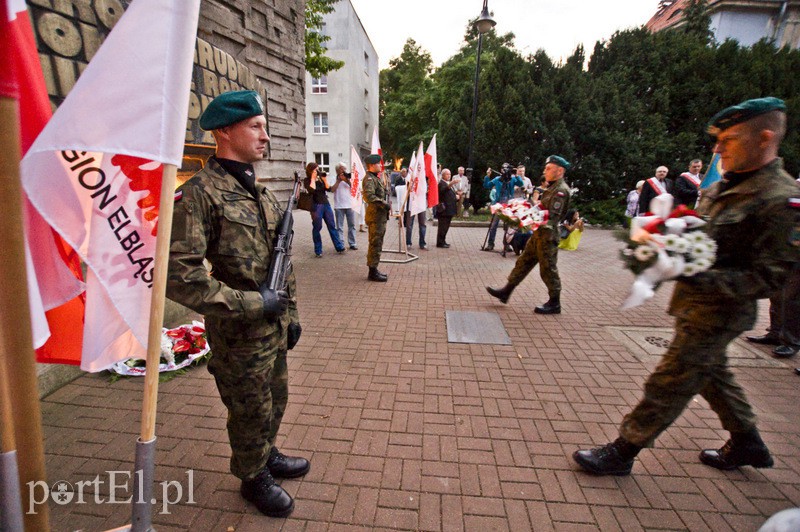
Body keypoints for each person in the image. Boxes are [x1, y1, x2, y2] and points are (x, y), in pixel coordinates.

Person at [573, 97, 800, 477]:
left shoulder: (780, 199)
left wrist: (697, 273)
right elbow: (701, 237)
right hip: (693, 305)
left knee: (671, 378)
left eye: (728, 139)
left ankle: (623, 450)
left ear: (764, 138)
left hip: (722, 312)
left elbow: (773, 277)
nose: (717, 148)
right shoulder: (723, 186)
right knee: (713, 374)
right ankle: (748, 442)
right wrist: (663, 242)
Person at [166, 90, 308, 518]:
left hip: (273, 326)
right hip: (239, 335)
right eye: (256, 126)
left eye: (264, 125)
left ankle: (266, 453)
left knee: (276, 398)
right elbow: (181, 277)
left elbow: (283, 262)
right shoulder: (199, 194)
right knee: (248, 407)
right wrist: (251, 303)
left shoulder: (260, 193)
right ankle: (252, 477)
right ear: (225, 131)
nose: (266, 135)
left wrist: (291, 312)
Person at [486, 155, 572, 314]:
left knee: (548, 269)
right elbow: (541, 209)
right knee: (523, 262)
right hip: (539, 234)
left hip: (548, 235)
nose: (545, 171)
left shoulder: (561, 191)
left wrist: (524, 218)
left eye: (548, 169)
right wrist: (522, 212)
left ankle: (555, 302)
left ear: (559, 171)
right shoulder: (553, 187)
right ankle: (506, 291)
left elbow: (550, 216)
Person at [746, 263, 800, 358]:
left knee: (793, 299)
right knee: (777, 295)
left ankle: (792, 342)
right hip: (787, 257)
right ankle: (776, 334)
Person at [304, 163, 345, 257]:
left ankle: (339, 246)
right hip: (316, 206)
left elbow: (329, 189)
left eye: (318, 169)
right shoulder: (307, 180)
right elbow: (311, 190)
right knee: (317, 227)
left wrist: (324, 180)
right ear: (310, 171)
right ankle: (318, 250)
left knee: (332, 225)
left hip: (326, 204)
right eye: (315, 170)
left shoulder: (321, 179)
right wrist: (313, 179)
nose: (317, 171)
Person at [483, 163, 524, 251]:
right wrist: (487, 176)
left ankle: (507, 244)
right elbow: (487, 185)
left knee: (508, 226)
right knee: (494, 225)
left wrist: (517, 175)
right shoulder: (497, 179)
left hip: (509, 205)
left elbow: (521, 184)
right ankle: (490, 244)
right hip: (498, 204)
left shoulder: (512, 179)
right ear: (501, 170)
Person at [363, 153, 390, 281]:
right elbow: (369, 197)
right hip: (375, 217)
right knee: (375, 243)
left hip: (379, 217)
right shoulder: (369, 179)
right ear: (372, 165)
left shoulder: (375, 178)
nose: (380, 165)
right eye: (379, 163)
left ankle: (374, 269)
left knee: (377, 243)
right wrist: (384, 204)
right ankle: (372, 272)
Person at [331, 162, 358, 250]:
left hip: (349, 205)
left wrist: (347, 180)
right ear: (337, 170)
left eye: (345, 169)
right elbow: (332, 190)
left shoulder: (349, 178)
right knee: (339, 227)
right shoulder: (333, 178)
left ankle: (352, 243)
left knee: (352, 225)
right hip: (339, 206)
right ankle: (341, 244)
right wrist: (338, 181)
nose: (344, 170)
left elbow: (354, 188)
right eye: (342, 169)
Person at [436, 168, 458, 248]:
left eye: (450, 174)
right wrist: (451, 184)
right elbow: (443, 190)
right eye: (447, 174)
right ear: (443, 175)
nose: (449, 176)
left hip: (449, 210)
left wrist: (455, 197)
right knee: (442, 227)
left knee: (446, 227)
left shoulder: (447, 183)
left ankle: (443, 241)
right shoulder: (442, 183)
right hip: (444, 210)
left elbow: (448, 194)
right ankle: (440, 243)